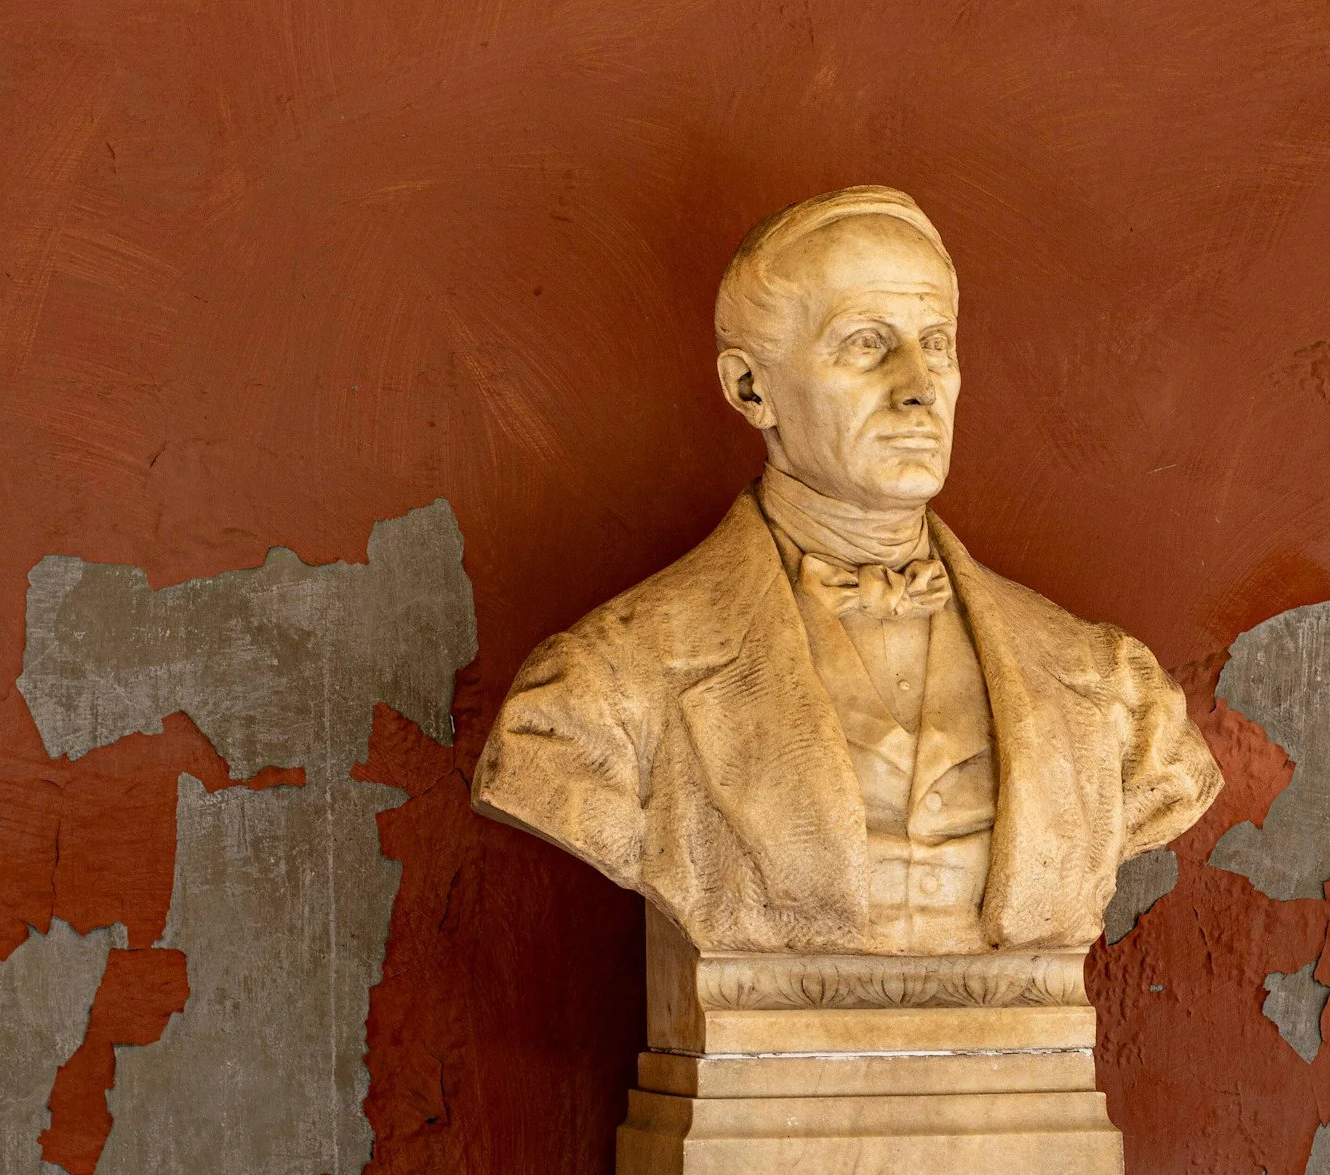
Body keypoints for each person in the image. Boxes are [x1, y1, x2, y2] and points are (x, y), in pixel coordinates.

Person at [472, 186, 1220, 954]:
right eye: (867, 342)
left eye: (936, 343)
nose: (919, 387)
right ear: (750, 388)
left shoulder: (1111, 692)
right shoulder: (604, 689)